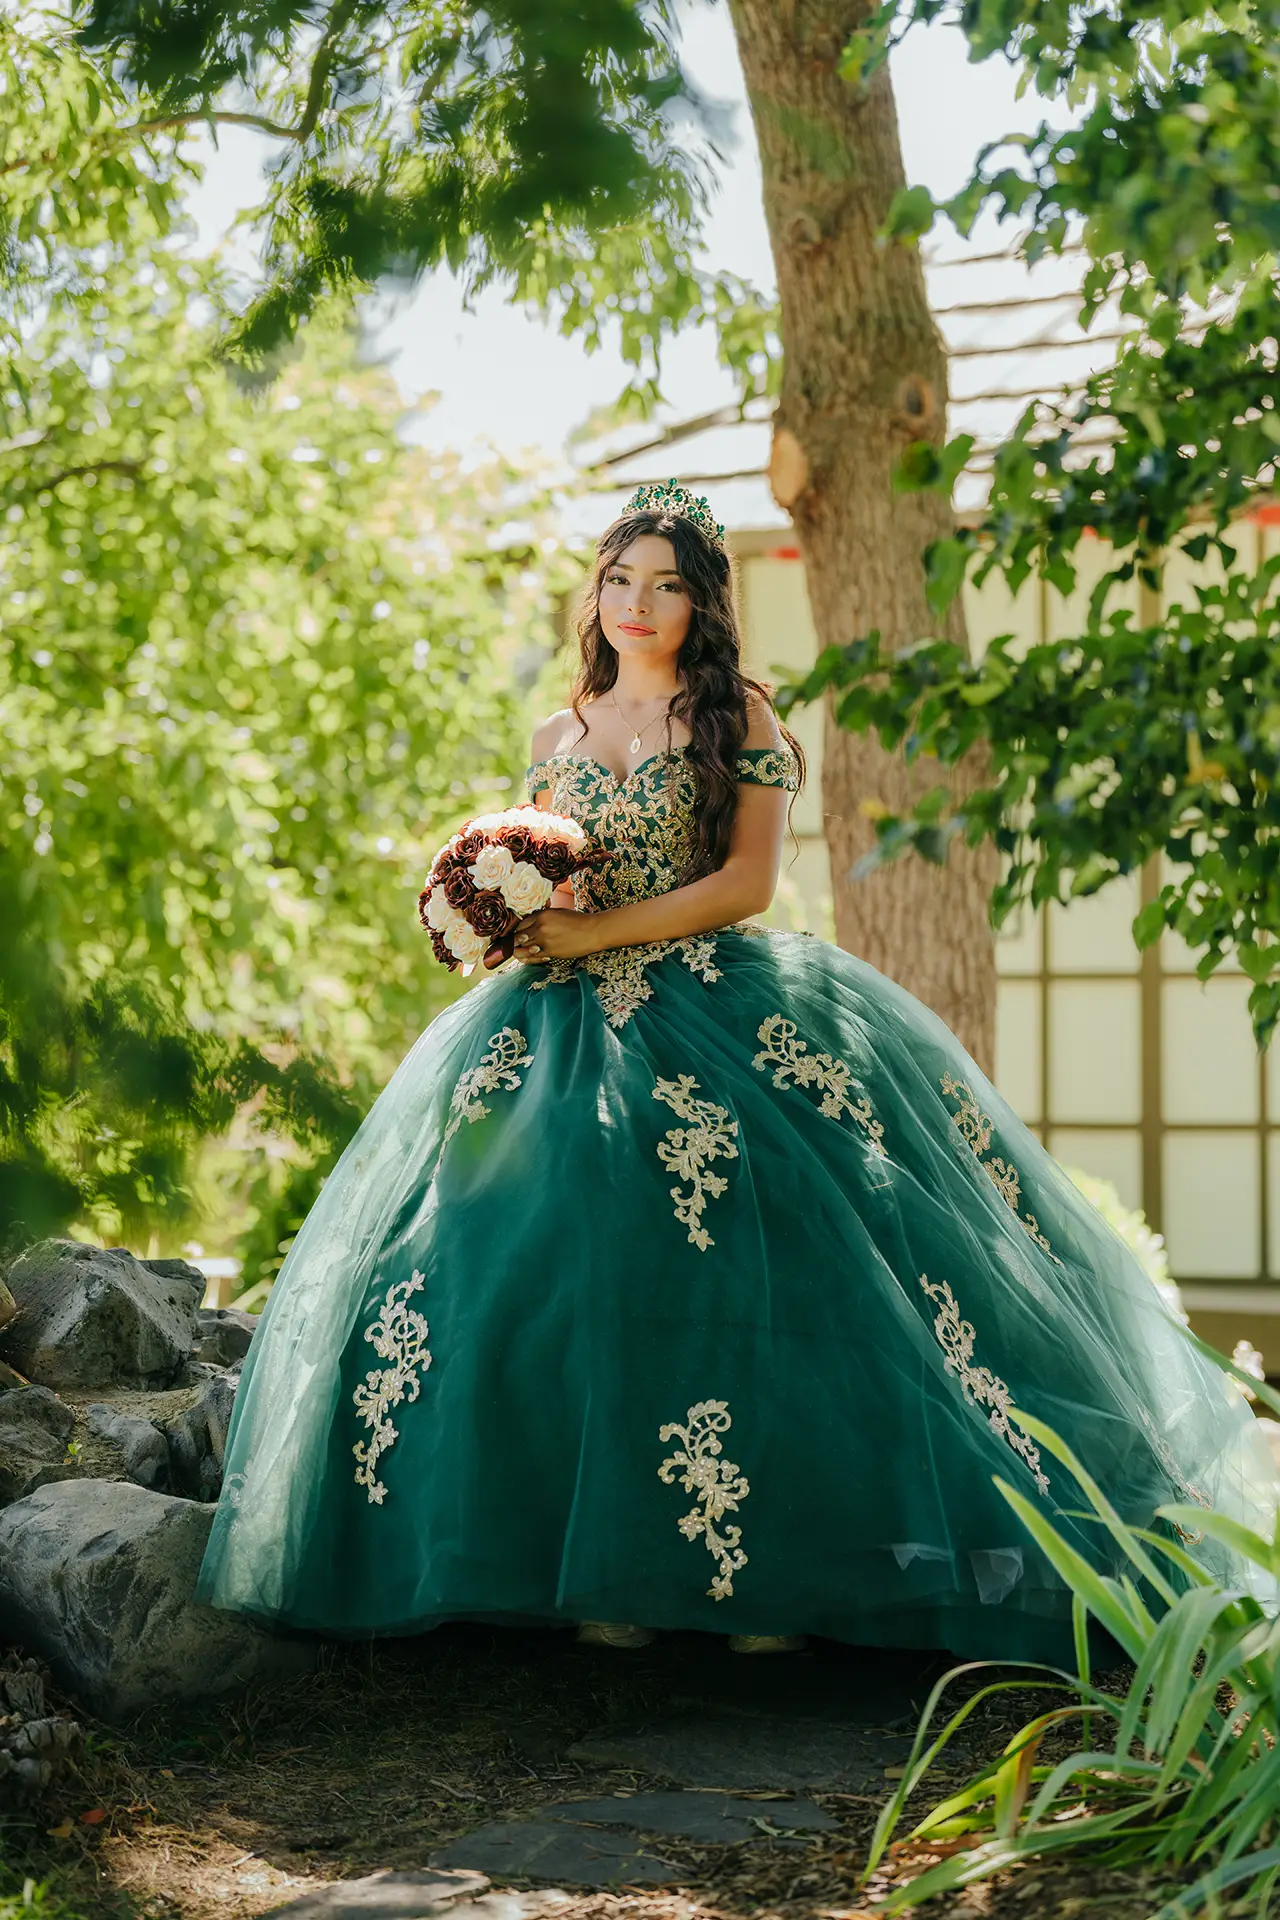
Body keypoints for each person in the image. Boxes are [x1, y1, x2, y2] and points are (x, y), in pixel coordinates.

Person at [198, 480, 1278, 1662]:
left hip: (710, 1002)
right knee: (528, 1256)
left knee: (758, 1270)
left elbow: (746, 886)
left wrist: (599, 935)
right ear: (595, 594)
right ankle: (578, 1569)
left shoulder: (740, 719)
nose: (636, 604)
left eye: (664, 583)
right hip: (555, 1021)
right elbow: (555, 872)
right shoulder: (556, 736)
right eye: (618, 579)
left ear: (700, 601)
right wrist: (504, 913)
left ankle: (765, 1572)